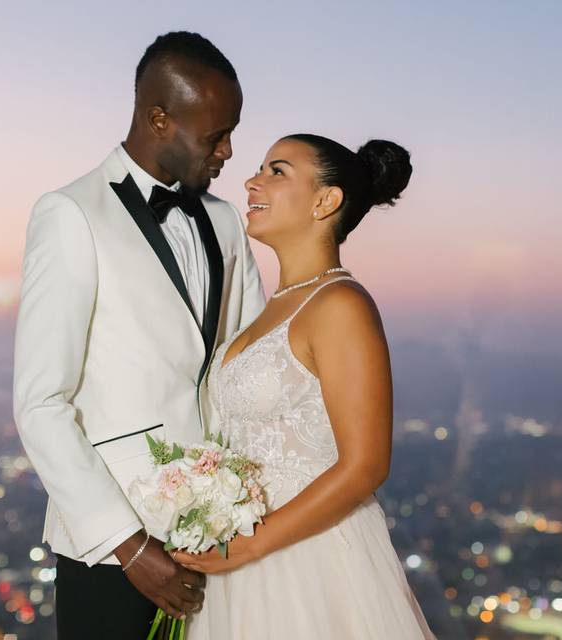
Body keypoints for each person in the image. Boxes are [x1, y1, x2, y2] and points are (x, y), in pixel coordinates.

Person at [11, 32, 265, 638]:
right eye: (215, 135)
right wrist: (127, 546)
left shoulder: (227, 221)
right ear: (159, 118)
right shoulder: (70, 215)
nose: (229, 150)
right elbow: (41, 403)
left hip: (221, 537)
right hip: (110, 549)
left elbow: (246, 365)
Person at [174, 134, 435, 638]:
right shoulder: (268, 309)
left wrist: (246, 547)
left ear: (325, 200)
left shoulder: (341, 305)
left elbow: (365, 466)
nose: (252, 181)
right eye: (259, 170)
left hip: (304, 562)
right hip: (235, 566)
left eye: (277, 171)